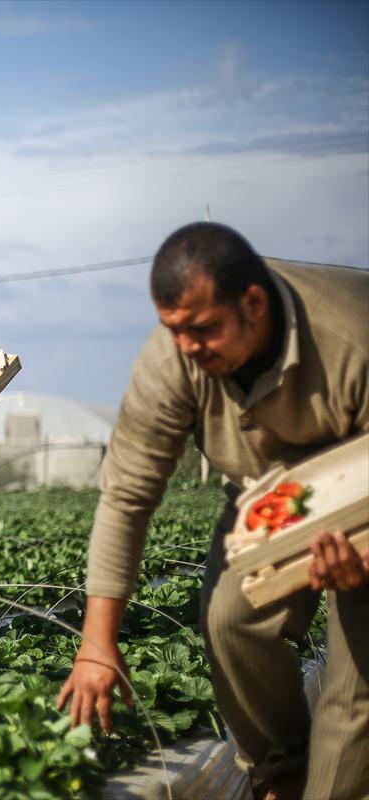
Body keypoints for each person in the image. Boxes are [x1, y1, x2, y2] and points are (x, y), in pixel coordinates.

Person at [56, 222, 368, 800]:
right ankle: (282, 771)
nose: (189, 348)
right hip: (266, 494)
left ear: (253, 303)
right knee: (230, 620)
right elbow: (128, 495)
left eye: (202, 329)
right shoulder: (175, 357)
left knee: (357, 689)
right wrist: (97, 641)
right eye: (175, 331)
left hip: (363, 498)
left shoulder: (353, 336)